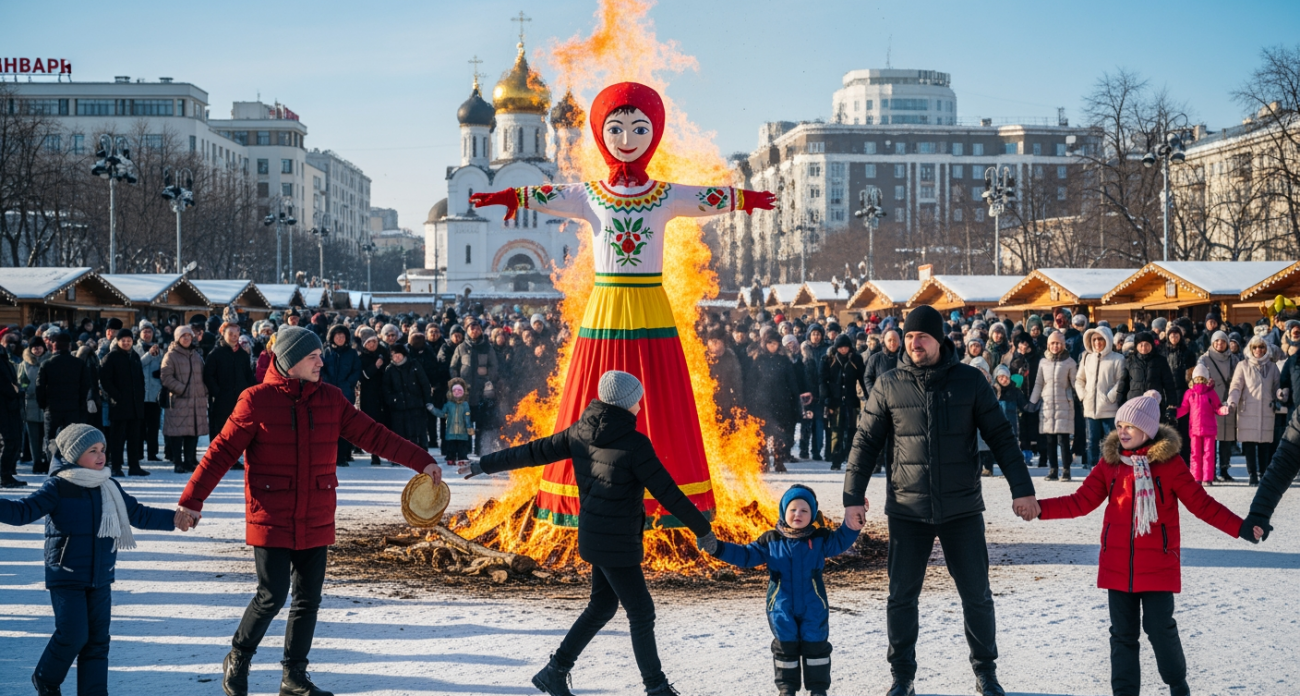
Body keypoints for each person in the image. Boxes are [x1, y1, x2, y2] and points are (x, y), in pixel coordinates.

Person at [469, 81, 774, 529]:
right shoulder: (589, 194)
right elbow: (546, 195)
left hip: (650, 302)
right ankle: (580, 493)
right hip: (607, 303)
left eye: (638, 128)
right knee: (595, 387)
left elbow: (704, 196)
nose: (627, 139)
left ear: (655, 132)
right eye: (616, 128)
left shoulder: (665, 194)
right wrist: (507, 196)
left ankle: (668, 496)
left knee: (660, 388)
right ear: (601, 133)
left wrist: (745, 200)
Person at [176, 326, 440, 696]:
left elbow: (374, 435)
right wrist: (191, 500)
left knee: (307, 598)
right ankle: (238, 656)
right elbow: (220, 452)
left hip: (316, 511)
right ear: (289, 362)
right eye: (312, 357)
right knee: (272, 595)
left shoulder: (330, 399)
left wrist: (421, 461)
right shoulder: (255, 400)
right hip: (271, 511)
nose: (321, 361)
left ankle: (294, 677)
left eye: (320, 355)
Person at [462, 371, 713, 696]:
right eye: (637, 398)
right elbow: (667, 491)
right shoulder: (636, 444)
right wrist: (702, 528)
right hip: (617, 542)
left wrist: (485, 464)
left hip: (594, 536)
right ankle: (657, 688)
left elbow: (532, 451)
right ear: (627, 403)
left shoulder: (580, 432)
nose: (640, 403)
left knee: (602, 607)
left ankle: (555, 671)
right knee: (641, 611)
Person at [842, 304, 1038, 696]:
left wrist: (1023, 488)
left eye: (923, 337)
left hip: (961, 509)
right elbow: (864, 443)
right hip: (907, 510)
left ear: (939, 339)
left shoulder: (969, 381)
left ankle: (985, 672)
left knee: (977, 594)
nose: (915, 343)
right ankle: (902, 676)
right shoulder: (889, 384)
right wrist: (853, 497)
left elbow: (1000, 435)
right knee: (901, 596)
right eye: (910, 336)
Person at [1036, 391, 1251, 696]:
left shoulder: (1171, 466)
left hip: (1158, 565)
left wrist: (1240, 527)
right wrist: (1040, 509)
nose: (1122, 431)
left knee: (1160, 630)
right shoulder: (1109, 465)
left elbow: (1202, 504)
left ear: (1147, 431)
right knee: (1122, 636)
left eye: (1130, 427)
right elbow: (1080, 502)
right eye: (1119, 425)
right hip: (1116, 566)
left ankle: (1177, 684)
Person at [0, 424, 181, 695]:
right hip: (66, 574)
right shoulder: (58, 487)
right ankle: (46, 679)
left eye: (102, 450)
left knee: (98, 642)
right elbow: (23, 511)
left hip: (101, 576)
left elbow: (138, 514)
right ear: (73, 455)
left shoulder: (109, 485)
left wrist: (175, 519)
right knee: (73, 635)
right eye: (92, 450)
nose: (101, 456)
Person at [706, 485, 861, 696]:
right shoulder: (771, 541)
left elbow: (842, 539)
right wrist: (718, 548)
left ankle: (818, 688)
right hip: (781, 606)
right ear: (783, 512)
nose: (798, 514)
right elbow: (745, 555)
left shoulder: (820, 539)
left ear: (812, 515)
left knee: (816, 645)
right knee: (785, 646)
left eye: (804, 510)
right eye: (793, 509)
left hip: (813, 605)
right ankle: (787, 688)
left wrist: (854, 522)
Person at [1224, 336, 1281, 486]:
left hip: (1266, 410)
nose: (1258, 350)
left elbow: (1276, 386)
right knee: (1249, 445)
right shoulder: (1243, 365)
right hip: (1247, 409)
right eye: (1255, 347)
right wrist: (1232, 402)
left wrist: (1281, 393)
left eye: (1261, 347)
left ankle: (1263, 474)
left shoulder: (1272, 367)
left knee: (1264, 445)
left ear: (1265, 349)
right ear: (1250, 349)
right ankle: (1252, 474)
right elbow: (1236, 387)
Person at [748, 328, 803, 472]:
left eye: (775, 343)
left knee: (779, 434)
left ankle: (779, 460)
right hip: (762, 402)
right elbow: (752, 382)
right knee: (762, 434)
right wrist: (751, 402)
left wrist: (795, 399)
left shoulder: (784, 361)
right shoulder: (758, 360)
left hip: (781, 402)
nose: (773, 346)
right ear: (764, 344)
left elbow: (792, 381)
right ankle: (763, 462)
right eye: (770, 343)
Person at [36, 333, 93, 472]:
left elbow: (39, 387)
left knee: (50, 439)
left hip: (52, 407)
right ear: (69, 346)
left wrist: (44, 405)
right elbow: (85, 386)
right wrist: (80, 405)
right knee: (71, 439)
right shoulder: (78, 363)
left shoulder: (47, 364)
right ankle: (70, 466)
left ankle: (53, 466)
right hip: (73, 407)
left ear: (53, 345)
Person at [1028, 330, 1078, 481]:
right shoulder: (1043, 362)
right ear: (1048, 345)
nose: (1055, 346)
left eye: (1057, 343)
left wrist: (1082, 397)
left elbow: (1075, 382)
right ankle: (1053, 469)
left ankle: (1066, 469)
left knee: (1063, 440)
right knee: (1050, 440)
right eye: (1052, 343)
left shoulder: (1070, 362)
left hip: (1064, 403)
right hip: (1048, 404)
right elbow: (1039, 383)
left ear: (1062, 345)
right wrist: (1032, 401)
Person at [98, 329, 148, 477]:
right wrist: (116, 396)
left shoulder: (135, 357)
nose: (126, 343)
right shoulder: (111, 357)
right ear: (118, 341)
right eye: (123, 340)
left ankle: (134, 466)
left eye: (129, 340)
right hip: (119, 405)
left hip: (135, 405)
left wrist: (140, 396)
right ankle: (116, 466)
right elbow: (105, 380)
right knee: (117, 439)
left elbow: (140, 379)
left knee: (134, 437)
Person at [1075, 325, 1124, 471]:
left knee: (1111, 442)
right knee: (1091, 442)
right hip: (1090, 409)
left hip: (1109, 409)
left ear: (1107, 340)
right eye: (1094, 339)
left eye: (1100, 339)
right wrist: (1083, 395)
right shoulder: (1087, 358)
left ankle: (1112, 470)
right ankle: (1093, 470)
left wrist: (1110, 397)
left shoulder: (1117, 359)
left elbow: (1121, 380)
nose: (1097, 342)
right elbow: (1079, 379)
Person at [160, 325, 208, 474]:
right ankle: (178, 462)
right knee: (177, 434)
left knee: (192, 433)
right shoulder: (171, 355)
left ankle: (189, 461)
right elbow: (166, 376)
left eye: (189, 335)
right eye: (183, 336)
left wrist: (204, 391)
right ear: (177, 338)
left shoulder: (196, 355)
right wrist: (182, 389)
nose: (187, 338)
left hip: (196, 400)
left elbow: (202, 375)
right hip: (179, 400)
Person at [1196, 331, 1241, 481]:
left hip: (1227, 400)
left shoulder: (1233, 359)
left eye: (1222, 341)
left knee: (1227, 438)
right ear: (1212, 343)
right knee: (1211, 439)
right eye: (1216, 342)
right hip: (1210, 402)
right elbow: (1198, 378)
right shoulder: (1204, 359)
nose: (1219, 344)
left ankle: (1224, 469)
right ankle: (1211, 471)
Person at [450, 320, 499, 455]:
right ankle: (465, 451)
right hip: (465, 393)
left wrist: (488, 376)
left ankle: (479, 450)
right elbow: (453, 367)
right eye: (472, 329)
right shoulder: (461, 348)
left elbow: (494, 366)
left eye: (477, 329)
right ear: (467, 331)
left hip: (482, 392)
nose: (474, 331)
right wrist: (457, 382)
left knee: (481, 425)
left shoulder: (487, 348)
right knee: (465, 424)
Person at [822, 334, 865, 472]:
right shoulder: (828, 360)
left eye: (846, 347)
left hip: (851, 400)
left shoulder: (856, 359)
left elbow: (863, 379)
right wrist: (826, 400)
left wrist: (868, 395)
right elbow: (823, 381)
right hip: (835, 401)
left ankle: (851, 459)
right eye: (841, 347)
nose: (843, 350)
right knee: (836, 431)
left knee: (852, 430)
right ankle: (836, 460)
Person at [321, 325, 361, 467]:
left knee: (344, 425)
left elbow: (356, 370)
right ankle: (329, 455)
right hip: (328, 392)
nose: (339, 338)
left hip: (346, 393)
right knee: (329, 426)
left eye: (342, 336)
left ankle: (343, 455)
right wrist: (326, 383)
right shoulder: (325, 352)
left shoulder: (352, 353)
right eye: (337, 336)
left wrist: (348, 383)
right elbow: (321, 369)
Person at [1176, 365, 1222, 485]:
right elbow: (1184, 408)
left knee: (1209, 454)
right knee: (1195, 454)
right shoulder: (1190, 393)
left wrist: (1224, 410)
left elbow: (1217, 407)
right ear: (1193, 379)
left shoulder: (1211, 393)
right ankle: (1196, 477)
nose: (1199, 381)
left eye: (1202, 379)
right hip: (1195, 429)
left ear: (1206, 379)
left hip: (1209, 428)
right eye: (1197, 379)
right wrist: (1174, 413)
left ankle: (1207, 478)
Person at [383, 343, 432, 450]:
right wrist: (392, 400)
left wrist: (427, 400)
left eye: (399, 354)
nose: (397, 357)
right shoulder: (390, 369)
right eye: (394, 355)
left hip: (416, 404)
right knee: (399, 433)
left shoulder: (414, 365)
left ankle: (421, 453)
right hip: (398, 407)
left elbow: (424, 383)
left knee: (418, 431)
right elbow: (386, 388)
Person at [17, 336, 49, 478]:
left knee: (48, 436)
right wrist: (28, 389)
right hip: (30, 404)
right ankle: (36, 461)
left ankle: (48, 461)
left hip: (47, 404)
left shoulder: (49, 361)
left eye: (39, 347)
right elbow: (20, 381)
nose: (37, 349)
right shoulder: (24, 364)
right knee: (34, 437)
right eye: (34, 347)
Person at [135, 323, 164, 462]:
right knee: (139, 427)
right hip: (140, 394)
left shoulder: (160, 350)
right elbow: (137, 365)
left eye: (149, 332)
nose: (147, 334)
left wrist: (162, 373)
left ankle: (152, 453)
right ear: (140, 333)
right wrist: (149, 355)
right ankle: (139, 453)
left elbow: (165, 365)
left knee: (153, 427)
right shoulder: (135, 349)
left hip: (154, 394)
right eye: (144, 331)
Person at [435, 378, 474, 468]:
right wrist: (433, 410)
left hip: (462, 431)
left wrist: (469, 427)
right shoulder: (448, 404)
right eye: (455, 391)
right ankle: (450, 457)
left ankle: (462, 457)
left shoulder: (465, 405)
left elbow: (467, 417)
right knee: (451, 446)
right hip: (451, 431)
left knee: (462, 446)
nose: (457, 393)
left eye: (459, 391)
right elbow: (442, 414)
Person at [0, 336, 23, 487]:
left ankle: (7, 473)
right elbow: (5, 384)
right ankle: (4, 475)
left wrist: (16, 389)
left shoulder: (4, 357)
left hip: (10, 405)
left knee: (13, 441)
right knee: (8, 441)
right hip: (3, 406)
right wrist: (13, 390)